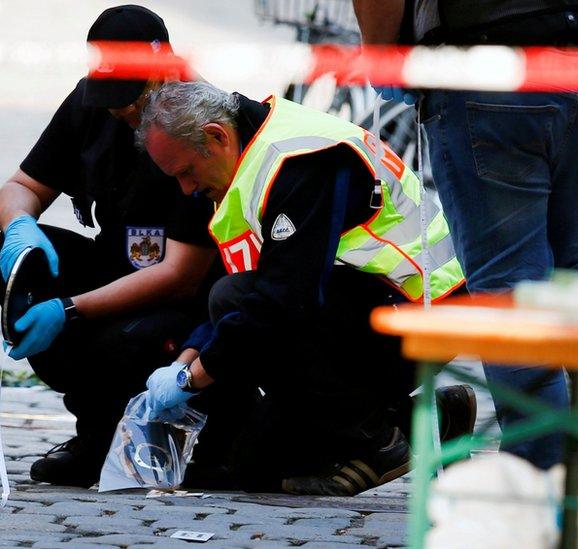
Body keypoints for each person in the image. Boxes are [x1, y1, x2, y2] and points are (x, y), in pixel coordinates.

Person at [353, 0, 578, 498]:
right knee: (566, 263)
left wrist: (384, 55)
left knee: (510, 287)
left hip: (489, 73)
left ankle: (536, 478)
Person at [136, 81, 474, 495]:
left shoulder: (299, 161)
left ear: (216, 136)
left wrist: (193, 379)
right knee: (253, 467)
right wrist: (184, 361)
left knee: (235, 298)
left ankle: (377, 441)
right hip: (360, 313)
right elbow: (256, 292)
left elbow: (278, 301)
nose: (186, 189)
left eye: (186, 172)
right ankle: (432, 419)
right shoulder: (248, 154)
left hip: (422, 314)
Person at [0, 5, 245, 489]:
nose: (120, 110)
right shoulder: (96, 103)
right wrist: (19, 225)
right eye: (110, 97)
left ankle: (191, 435)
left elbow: (179, 275)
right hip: (114, 267)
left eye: (131, 97)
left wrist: (69, 309)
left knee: (120, 341)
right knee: (17, 260)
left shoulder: (196, 119)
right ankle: (96, 432)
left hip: (185, 304)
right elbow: (21, 185)